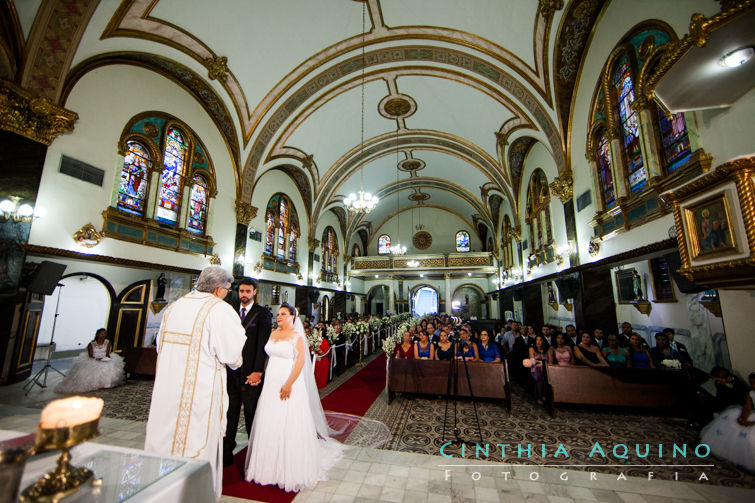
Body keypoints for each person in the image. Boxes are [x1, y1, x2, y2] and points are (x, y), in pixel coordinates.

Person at [144, 266, 247, 498]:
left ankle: (159, 490)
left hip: (167, 388)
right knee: (197, 440)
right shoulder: (219, 310)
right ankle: (194, 495)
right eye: (228, 290)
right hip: (200, 389)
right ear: (220, 289)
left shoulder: (175, 306)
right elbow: (232, 356)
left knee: (165, 436)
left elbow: (160, 346)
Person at [244, 304, 346, 491]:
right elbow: (266, 357)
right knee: (270, 420)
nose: (279, 316)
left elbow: (299, 362)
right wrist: (258, 374)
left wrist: (289, 383)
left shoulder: (297, 337)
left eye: (284, 314)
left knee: (287, 420)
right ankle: (268, 467)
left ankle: (288, 468)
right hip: (271, 382)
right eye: (278, 314)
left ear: (292, 316)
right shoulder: (273, 333)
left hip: (288, 381)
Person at [223, 277, 272, 467]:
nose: (244, 295)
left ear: (254, 292)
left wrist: (258, 371)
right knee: (230, 413)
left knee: (251, 414)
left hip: (252, 372)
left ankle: (255, 455)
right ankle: (227, 452)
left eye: (247, 291)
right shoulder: (231, 311)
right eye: (241, 291)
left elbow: (263, 345)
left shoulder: (262, 314)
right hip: (231, 372)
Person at [700, 373, 755, 472]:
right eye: (751, 384)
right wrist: (743, 418)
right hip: (751, 414)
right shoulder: (750, 392)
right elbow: (748, 407)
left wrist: (751, 423)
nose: (753, 386)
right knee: (731, 421)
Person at [55, 328, 125, 393]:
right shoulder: (91, 344)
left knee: (110, 365)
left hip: (104, 357)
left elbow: (107, 353)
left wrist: (105, 358)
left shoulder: (108, 342)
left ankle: (107, 383)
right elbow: (91, 355)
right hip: (94, 358)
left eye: (104, 334)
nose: (103, 335)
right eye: (101, 334)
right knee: (91, 368)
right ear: (97, 335)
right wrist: (97, 359)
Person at [528, 335, 549, 404]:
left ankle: (544, 394)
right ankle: (539, 396)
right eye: (537, 340)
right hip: (535, 367)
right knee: (540, 376)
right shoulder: (532, 349)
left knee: (545, 373)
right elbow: (533, 360)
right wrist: (542, 363)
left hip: (546, 368)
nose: (538, 342)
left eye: (540, 340)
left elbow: (549, 361)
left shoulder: (546, 350)